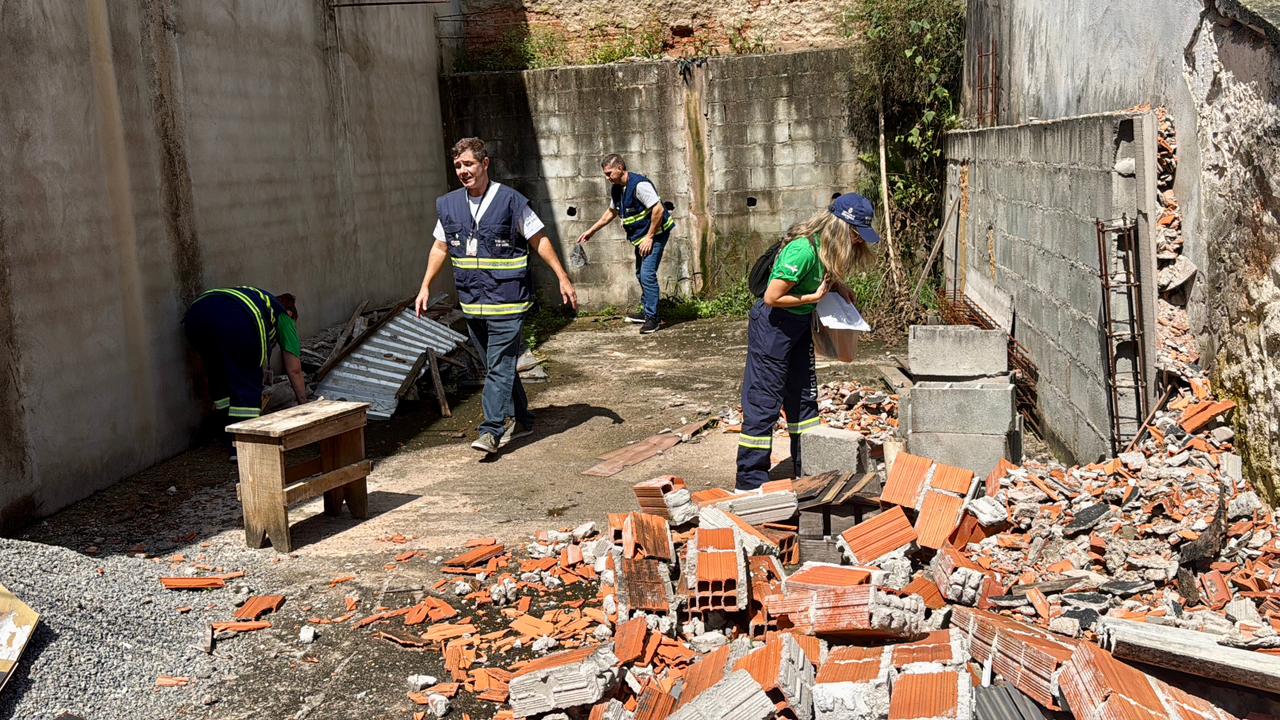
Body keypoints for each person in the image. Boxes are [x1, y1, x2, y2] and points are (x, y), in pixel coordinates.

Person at [414, 137, 578, 455]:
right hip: (473, 302)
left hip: (507, 299)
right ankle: (523, 414)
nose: (463, 171)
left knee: (498, 363)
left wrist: (562, 277)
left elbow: (538, 239)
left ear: (485, 164)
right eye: (458, 165)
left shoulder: (511, 201)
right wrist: (425, 286)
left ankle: (491, 430)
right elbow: (440, 246)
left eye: (469, 164)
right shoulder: (449, 205)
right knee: (498, 363)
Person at [736, 193, 880, 490]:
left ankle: (807, 471)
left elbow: (824, 270)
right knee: (764, 401)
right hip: (773, 328)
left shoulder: (828, 248)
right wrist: (813, 298)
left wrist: (841, 287)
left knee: (803, 400)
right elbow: (772, 297)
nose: (858, 243)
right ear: (841, 228)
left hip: (799, 326)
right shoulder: (802, 250)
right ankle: (749, 482)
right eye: (856, 235)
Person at [183, 286, 308, 446]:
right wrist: (304, 404)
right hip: (239, 321)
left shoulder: (258, 299)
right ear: (290, 313)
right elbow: (294, 368)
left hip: (196, 315)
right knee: (247, 383)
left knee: (219, 376)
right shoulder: (283, 315)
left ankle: (228, 437)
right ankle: (245, 446)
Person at [575, 154, 674, 335]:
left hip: (656, 234)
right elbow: (610, 213)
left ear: (620, 168)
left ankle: (653, 319)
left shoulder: (640, 185)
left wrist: (650, 237)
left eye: (609, 173)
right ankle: (647, 312)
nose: (607, 177)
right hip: (641, 236)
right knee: (640, 273)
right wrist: (591, 230)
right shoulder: (617, 189)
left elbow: (658, 210)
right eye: (605, 174)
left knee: (647, 274)